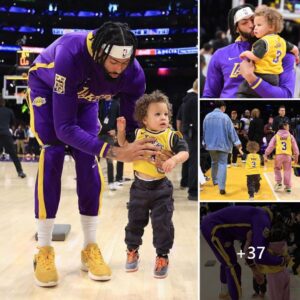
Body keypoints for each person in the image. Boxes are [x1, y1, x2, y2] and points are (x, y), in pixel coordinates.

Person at [27, 21, 160, 287]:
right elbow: (64, 128)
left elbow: (133, 125)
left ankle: (90, 246)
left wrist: (139, 147)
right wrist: (113, 151)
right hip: (47, 89)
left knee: (88, 160)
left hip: (85, 99)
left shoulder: (133, 73)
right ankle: (43, 249)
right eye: (113, 62)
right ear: (98, 53)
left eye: (124, 63)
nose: (119, 69)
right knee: (52, 153)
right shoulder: (70, 52)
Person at [116, 90, 189, 279]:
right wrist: (121, 131)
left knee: (162, 224)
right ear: (145, 119)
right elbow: (123, 145)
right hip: (139, 187)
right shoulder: (139, 133)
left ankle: (162, 256)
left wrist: (174, 160)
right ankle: (132, 250)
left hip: (161, 189)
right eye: (157, 114)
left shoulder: (171, 136)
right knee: (134, 222)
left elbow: (185, 152)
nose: (163, 117)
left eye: (165, 114)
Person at [203, 4, 296, 98]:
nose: (252, 25)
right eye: (244, 23)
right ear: (236, 28)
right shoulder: (220, 54)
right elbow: (209, 96)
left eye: (253, 20)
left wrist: (252, 78)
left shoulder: (283, 52)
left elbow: (286, 95)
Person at [201, 206, 289, 300]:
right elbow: (260, 256)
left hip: (217, 228)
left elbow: (247, 247)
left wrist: (254, 269)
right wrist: (281, 260)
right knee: (232, 266)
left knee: (226, 262)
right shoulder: (263, 221)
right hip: (214, 228)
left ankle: (224, 294)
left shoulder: (259, 214)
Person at [237, 5, 299, 98]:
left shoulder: (263, 42)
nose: (255, 28)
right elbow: (294, 48)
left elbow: (256, 56)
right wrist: (297, 55)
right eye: (255, 25)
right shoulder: (281, 41)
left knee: (241, 92)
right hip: (275, 78)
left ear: (271, 26)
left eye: (259, 25)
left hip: (262, 74)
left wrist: (246, 53)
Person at [203, 101, 242, 195]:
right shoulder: (225, 117)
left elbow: (204, 131)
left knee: (214, 162)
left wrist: (204, 143)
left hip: (210, 145)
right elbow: (231, 132)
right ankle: (221, 187)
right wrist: (237, 143)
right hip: (223, 144)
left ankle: (215, 181)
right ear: (223, 107)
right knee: (222, 164)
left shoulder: (207, 117)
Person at [264, 121, 299, 193]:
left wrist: (266, 154)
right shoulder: (290, 136)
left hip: (279, 156)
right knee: (287, 170)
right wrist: (296, 156)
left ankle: (279, 182)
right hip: (288, 156)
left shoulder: (276, 136)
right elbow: (295, 147)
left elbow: (271, 146)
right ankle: (288, 186)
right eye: (288, 126)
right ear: (285, 126)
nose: (289, 127)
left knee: (277, 168)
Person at [0, 96, 26, 178]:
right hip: (6, 134)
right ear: (4, 103)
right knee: (13, 154)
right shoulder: (9, 111)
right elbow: (13, 123)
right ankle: (20, 172)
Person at [98, 96, 120, 191]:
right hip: (98, 134)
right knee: (96, 159)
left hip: (109, 135)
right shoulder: (100, 103)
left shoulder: (116, 104)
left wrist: (115, 130)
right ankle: (96, 182)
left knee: (110, 159)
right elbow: (96, 116)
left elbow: (118, 118)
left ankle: (111, 182)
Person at [181, 79, 198, 200]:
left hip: (188, 133)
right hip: (193, 134)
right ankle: (193, 191)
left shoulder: (187, 99)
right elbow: (196, 121)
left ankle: (186, 182)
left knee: (188, 160)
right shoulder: (194, 100)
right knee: (194, 162)